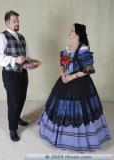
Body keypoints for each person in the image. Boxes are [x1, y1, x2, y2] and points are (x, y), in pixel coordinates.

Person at [38, 23, 111, 152]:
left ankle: (80, 139)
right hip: (64, 80)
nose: (69, 31)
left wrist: (72, 77)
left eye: (72, 30)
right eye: (70, 29)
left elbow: (88, 69)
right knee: (60, 107)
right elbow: (62, 64)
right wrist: (62, 74)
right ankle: (60, 137)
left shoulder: (83, 49)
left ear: (78, 34)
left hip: (79, 83)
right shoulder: (67, 48)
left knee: (80, 110)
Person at [0, 10, 32, 142]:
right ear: (7, 22)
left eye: (18, 21)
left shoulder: (21, 37)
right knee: (13, 101)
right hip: (10, 73)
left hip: (23, 73)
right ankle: (13, 129)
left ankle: (17, 118)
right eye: (14, 21)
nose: (17, 23)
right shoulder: (1, 37)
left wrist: (29, 61)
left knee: (22, 97)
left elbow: (27, 53)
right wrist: (14, 60)